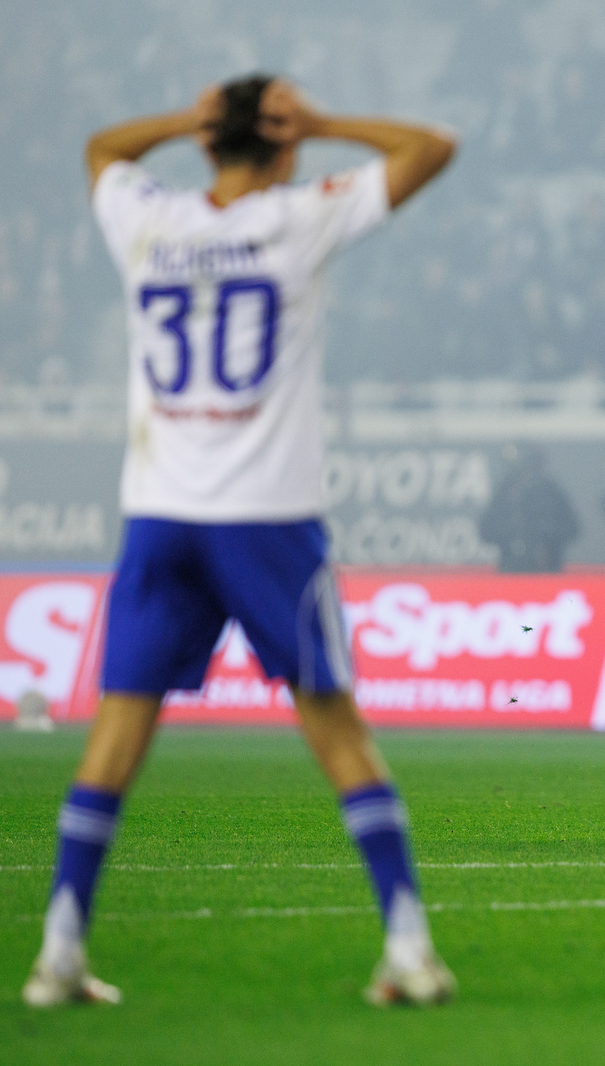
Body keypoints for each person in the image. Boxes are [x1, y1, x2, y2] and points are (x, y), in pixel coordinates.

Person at [23, 76, 456, 1009]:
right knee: (335, 727)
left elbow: (101, 151)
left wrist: (183, 120)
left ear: (207, 143)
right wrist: (331, 120)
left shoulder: (149, 222)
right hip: (267, 518)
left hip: (161, 516)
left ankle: (58, 953)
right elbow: (430, 148)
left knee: (115, 737)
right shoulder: (298, 220)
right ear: (286, 143)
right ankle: (410, 950)